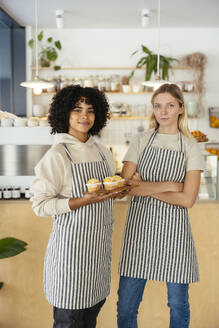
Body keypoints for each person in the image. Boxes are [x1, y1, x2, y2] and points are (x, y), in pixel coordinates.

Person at [30, 85, 125, 328]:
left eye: (91, 110)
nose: (85, 116)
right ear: (64, 113)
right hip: (70, 259)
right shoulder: (58, 155)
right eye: (77, 109)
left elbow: (103, 192)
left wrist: (118, 192)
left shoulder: (103, 152)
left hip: (97, 256)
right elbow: (40, 205)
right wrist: (80, 201)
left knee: (90, 319)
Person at [117, 83, 204, 328]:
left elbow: (187, 200)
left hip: (175, 235)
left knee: (177, 305)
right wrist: (171, 185)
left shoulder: (191, 147)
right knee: (126, 307)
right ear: (153, 109)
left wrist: (143, 187)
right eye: (157, 106)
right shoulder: (141, 140)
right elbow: (125, 187)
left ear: (180, 109)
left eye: (170, 105)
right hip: (139, 234)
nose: (163, 111)